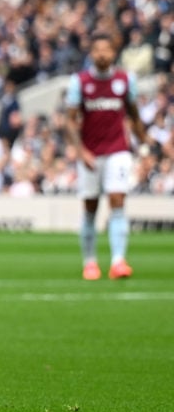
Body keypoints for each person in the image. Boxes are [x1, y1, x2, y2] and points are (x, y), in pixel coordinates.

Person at [64, 32, 150, 281]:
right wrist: (81, 152)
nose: (102, 54)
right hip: (90, 153)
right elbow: (70, 123)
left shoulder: (125, 80)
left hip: (117, 150)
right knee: (90, 207)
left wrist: (144, 144)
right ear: (91, 53)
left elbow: (133, 115)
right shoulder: (79, 81)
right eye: (98, 49)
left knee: (117, 202)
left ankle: (118, 262)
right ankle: (90, 262)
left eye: (107, 49)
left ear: (114, 53)